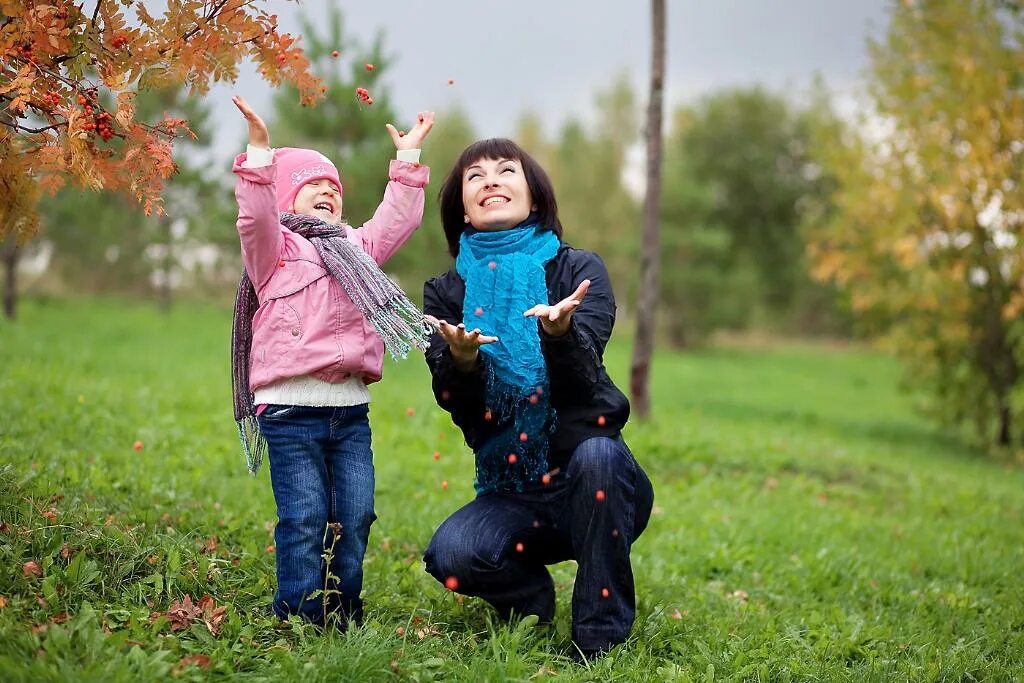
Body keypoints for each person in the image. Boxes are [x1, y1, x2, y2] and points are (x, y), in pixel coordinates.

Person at [421, 138, 654, 658]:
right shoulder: (445, 292)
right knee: (452, 557)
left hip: (595, 482)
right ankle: (531, 600)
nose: (492, 181)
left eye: (507, 170)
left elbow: (583, 383)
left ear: (534, 194)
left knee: (598, 455)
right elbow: (459, 406)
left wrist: (559, 334)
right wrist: (461, 363)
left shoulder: (577, 271)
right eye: (475, 177)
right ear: (462, 205)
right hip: (513, 493)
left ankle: (599, 639)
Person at [229, 95, 434, 627]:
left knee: (355, 515)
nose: (327, 191)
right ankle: (299, 616)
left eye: (334, 188)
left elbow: (395, 221)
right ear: (284, 199)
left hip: (349, 413)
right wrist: (258, 157)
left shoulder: (357, 248)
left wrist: (407, 162)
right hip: (290, 413)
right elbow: (253, 219)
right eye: (312, 184)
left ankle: (344, 610)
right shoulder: (273, 252)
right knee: (304, 517)